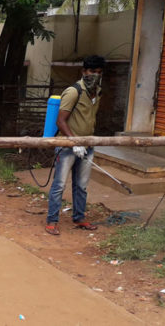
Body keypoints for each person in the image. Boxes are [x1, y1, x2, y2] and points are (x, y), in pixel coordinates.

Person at [45, 55, 106, 235]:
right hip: (67, 146)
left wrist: (85, 143)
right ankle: (52, 220)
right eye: (92, 72)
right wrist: (74, 142)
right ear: (84, 71)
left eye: (99, 72)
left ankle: (79, 217)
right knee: (59, 184)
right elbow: (61, 121)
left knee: (82, 185)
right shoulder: (73, 92)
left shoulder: (97, 92)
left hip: (88, 144)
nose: (95, 75)